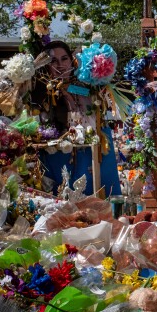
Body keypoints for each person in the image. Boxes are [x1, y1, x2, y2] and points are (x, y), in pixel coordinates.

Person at [33, 40, 122, 197]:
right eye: (54, 61)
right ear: (46, 65)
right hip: (59, 157)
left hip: (91, 153)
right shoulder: (42, 93)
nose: (60, 65)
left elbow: (94, 109)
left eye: (64, 59)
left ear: (72, 61)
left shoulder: (87, 85)